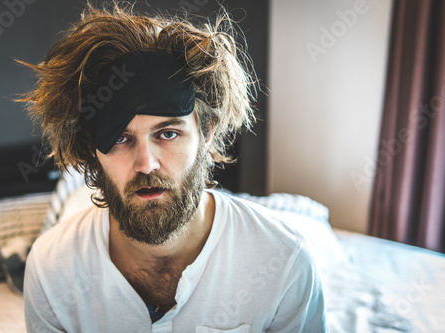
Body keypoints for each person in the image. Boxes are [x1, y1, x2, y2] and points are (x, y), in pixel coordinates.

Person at [20, 3, 328, 332]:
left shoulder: (284, 263)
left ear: (206, 133)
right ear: (91, 150)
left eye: (168, 134)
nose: (146, 163)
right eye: (121, 138)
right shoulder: (52, 269)